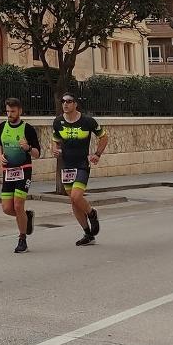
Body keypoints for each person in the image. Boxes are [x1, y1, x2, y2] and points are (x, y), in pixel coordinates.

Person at [50, 93, 108, 247]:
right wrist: (55, 150)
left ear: (76, 104)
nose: (65, 104)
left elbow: (104, 137)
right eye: (63, 101)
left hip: (82, 164)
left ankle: (91, 213)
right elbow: (55, 142)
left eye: (69, 101)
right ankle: (88, 234)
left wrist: (97, 154)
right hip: (67, 166)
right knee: (74, 203)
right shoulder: (58, 122)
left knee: (77, 196)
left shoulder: (87, 121)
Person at [0, 98, 41, 252]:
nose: (9, 114)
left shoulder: (27, 129)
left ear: (20, 111)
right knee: (7, 208)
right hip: (8, 171)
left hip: (24, 169)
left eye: (12, 111)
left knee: (18, 205)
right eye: (7, 111)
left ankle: (22, 239)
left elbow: (37, 153)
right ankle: (26, 217)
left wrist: (27, 148)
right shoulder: (2, 126)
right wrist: (0, 155)